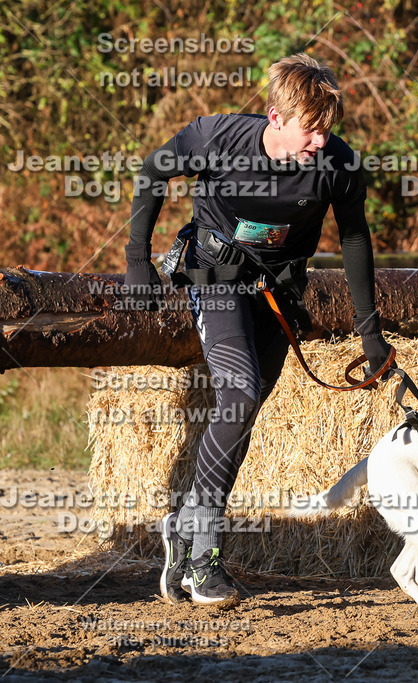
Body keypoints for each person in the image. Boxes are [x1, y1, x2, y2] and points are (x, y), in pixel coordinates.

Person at [123, 53, 392, 607]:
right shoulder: (216, 137)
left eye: (327, 130)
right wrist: (137, 261)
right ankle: (204, 559)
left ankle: (186, 527)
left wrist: (371, 336)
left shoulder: (338, 165)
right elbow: (153, 171)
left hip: (278, 295)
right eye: (311, 130)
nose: (320, 142)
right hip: (216, 278)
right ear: (275, 116)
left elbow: (356, 241)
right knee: (240, 392)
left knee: (240, 414)